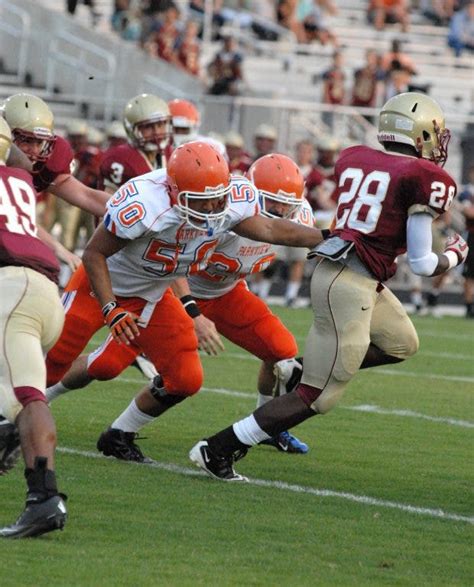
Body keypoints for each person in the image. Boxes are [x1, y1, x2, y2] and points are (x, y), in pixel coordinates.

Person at [188, 92, 469, 481]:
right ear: (419, 132)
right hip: (349, 283)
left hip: (349, 271)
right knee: (317, 397)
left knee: (402, 342)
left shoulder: (357, 157)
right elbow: (422, 263)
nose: (437, 142)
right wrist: (456, 254)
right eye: (433, 133)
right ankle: (218, 448)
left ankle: (298, 369)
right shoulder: (423, 177)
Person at [45, 143, 327, 462]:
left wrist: (332, 236)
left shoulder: (234, 203)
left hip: (170, 290)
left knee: (191, 376)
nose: (210, 209)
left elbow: (272, 228)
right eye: (201, 201)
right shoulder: (148, 205)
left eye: (217, 199)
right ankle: (18, 410)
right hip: (125, 287)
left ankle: (118, 435)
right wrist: (117, 308)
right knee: (69, 365)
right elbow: (96, 251)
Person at [0, 117, 67, 537]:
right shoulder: (17, 176)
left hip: (13, 290)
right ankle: (4, 430)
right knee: (14, 396)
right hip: (40, 292)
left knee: (28, 397)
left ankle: (44, 499)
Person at [2, 93, 108, 219]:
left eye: (39, 142)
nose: (35, 150)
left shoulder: (42, 165)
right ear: (6, 135)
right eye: (27, 140)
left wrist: (126, 208)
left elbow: (86, 196)